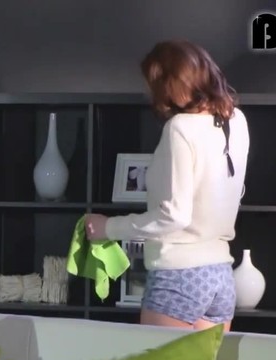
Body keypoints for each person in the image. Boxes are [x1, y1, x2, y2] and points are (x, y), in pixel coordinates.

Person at [85, 39, 249, 332]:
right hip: (221, 277)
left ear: (170, 83)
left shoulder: (180, 128)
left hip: (178, 277)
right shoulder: (237, 120)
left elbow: (174, 215)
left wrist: (108, 228)